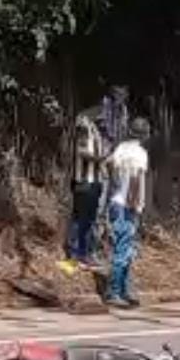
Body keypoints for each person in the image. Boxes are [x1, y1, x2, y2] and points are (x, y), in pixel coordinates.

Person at [104, 117, 151, 308]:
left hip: (116, 201)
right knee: (123, 249)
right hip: (127, 205)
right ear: (144, 134)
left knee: (125, 248)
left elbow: (107, 164)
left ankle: (124, 290)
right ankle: (114, 292)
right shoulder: (140, 153)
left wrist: (115, 185)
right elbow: (136, 179)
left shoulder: (121, 148)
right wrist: (133, 204)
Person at [59, 113, 105, 273]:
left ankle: (83, 256)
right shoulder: (84, 124)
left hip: (94, 182)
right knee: (80, 220)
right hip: (85, 182)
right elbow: (82, 151)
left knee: (88, 220)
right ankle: (74, 257)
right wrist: (102, 159)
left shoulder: (96, 128)